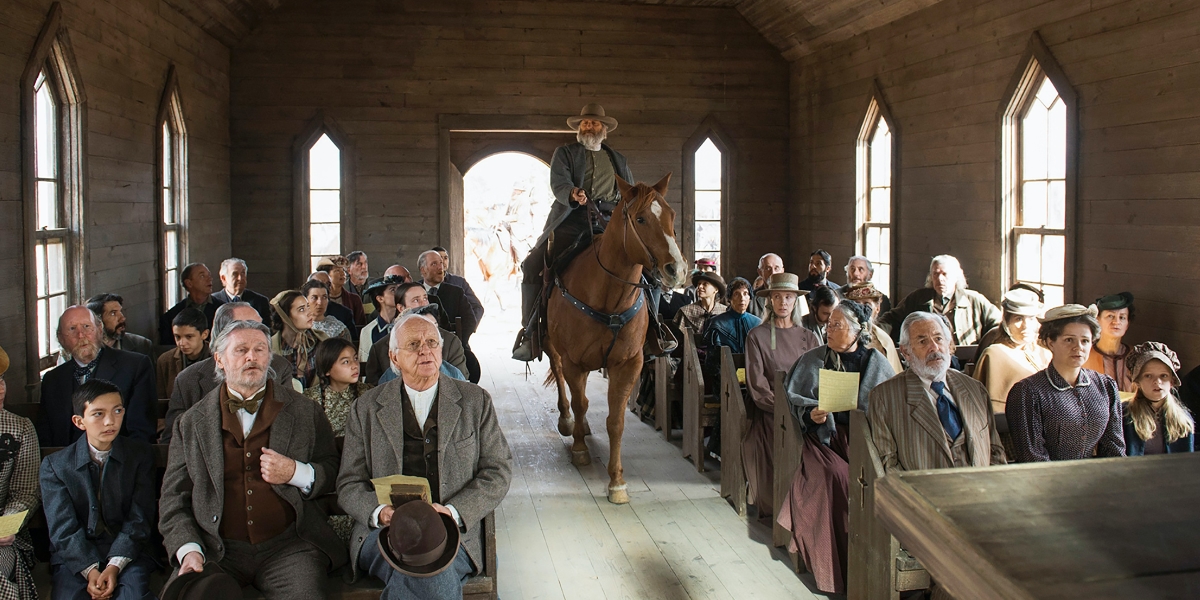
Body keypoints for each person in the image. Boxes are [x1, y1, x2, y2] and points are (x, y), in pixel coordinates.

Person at [159, 320, 345, 599]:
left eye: (260, 349)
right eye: (241, 350)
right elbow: (173, 499)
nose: (252, 357)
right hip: (216, 550)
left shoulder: (305, 412)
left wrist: (296, 472)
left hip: (290, 546)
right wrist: (189, 551)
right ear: (219, 360)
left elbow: (331, 470)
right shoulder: (191, 423)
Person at [337, 314, 512, 599]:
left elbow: (498, 471)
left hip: (454, 529)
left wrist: (453, 513)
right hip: (384, 531)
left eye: (432, 342)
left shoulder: (474, 402)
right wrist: (380, 513)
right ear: (394, 358)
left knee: (428, 570)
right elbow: (348, 484)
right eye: (414, 344)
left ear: (442, 350)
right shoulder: (366, 408)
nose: (425, 350)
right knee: (431, 572)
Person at [514, 104, 674, 359]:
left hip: (612, 222)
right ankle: (530, 332)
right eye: (585, 123)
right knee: (533, 264)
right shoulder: (565, 153)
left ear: (604, 129)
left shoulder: (618, 159)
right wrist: (572, 193)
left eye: (594, 123)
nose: (589, 126)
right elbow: (559, 182)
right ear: (579, 128)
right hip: (572, 218)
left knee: (649, 268)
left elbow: (631, 194)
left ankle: (653, 332)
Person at [779, 302, 894, 594]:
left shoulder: (876, 363)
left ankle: (876, 563)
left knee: (881, 481)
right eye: (828, 324)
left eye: (837, 325)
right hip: (824, 440)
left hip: (865, 440)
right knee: (838, 476)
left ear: (857, 331)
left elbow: (889, 406)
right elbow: (795, 400)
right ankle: (835, 567)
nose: (829, 330)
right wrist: (811, 414)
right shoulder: (813, 359)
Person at [41, 380, 156, 600]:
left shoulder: (139, 456)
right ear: (79, 421)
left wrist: (114, 565)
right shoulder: (56, 466)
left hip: (129, 551)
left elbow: (139, 517)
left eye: (117, 411)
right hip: (74, 556)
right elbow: (62, 528)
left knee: (134, 594)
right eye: (98, 414)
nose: (110, 421)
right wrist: (90, 569)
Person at [868, 311, 1006, 471]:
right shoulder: (884, 398)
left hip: (980, 491)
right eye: (922, 341)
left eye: (938, 339)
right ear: (906, 352)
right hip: (924, 493)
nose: (934, 347)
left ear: (948, 344)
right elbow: (888, 465)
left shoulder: (975, 389)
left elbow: (995, 450)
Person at [162, 302, 296, 443]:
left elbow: (291, 426)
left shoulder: (279, 367)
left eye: (260, 326)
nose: (256, 333)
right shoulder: (188, 380)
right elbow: (172, 440)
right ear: (222, 335)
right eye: (245, 326)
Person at [1006, 305, 1126, 462]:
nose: (1078, 348)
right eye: (1069, 340)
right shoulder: (1028, 392)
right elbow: (1032, 457)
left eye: (1085, 341)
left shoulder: (1105, 386)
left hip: (1095, 480)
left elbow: (1115, 450)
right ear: (1050, 343)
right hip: (1044, 481)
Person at [743, 273, 820, 518]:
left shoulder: (809, 337)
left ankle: (815, 509)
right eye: (777, 297)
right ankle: (785, 508)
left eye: (788, 297)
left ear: (795, 301)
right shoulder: (757, 336)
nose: (783, 302)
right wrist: (785, 412)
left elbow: (818, 380)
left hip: (807, 413)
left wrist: (808, 412)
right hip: (771, 413)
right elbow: (758, 385)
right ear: (770, 301)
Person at [38, 307, 157, 446]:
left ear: (100, 329)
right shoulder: (52, 379)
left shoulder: (135, 366)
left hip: (120, 461)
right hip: (65, 463)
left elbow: (142, 431)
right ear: (60, 338)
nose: (81, 335)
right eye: (72, 329)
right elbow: (46, 436)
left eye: (87, 327)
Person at [304, 337, 372, 544]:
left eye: (354, 359)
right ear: (326, 370)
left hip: (362, 473)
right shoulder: (310, 400)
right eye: (345, 362)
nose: (354, 366)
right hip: (327, 474)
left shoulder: (369, 394)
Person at [878, 255, 1001, 345]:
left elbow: (998, 324)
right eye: (935, 274)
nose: (940, 279)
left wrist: (984, 348)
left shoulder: (974, 300)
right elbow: (890, 319)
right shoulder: (918, 298)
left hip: (965, 360)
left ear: (956, 277)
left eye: (944, 274)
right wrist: (875, 334)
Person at [367, 284, 469, 384]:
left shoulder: (451, 342)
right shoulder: (379, 348)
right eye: (416, 300)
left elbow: (459, 385)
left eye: (425, 298)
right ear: (401, 308)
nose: (423, 304)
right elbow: (375, 391)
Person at [0, 344, 40, 600]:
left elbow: (25, 493)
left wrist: (6, 525)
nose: (0, 389)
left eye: (0, 379)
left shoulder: (20, 428)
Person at [972, 288, 1050, 414]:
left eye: (1031, 319)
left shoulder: (1045, 351)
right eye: (1018, 319)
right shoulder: (994, 354)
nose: (1026, 326)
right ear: (1006, 322)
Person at [417, 250, 480, 383]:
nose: (441, 267)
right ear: (423, 270)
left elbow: (470, 321)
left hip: (452, 348)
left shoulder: (455, 292)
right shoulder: (415, 291)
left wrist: (458, 343)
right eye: (434, 264)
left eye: (441, 263)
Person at [1122, 342, 1194, 455]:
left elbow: (1186, 464)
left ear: (1172, 381)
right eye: (1148, 376)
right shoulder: (1124, 414)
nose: (1157, 382)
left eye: (1163, 376)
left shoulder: (1182, 419)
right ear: (1137, 381)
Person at [270, 290, 328, 389]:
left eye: (308, 307)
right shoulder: (270, 347)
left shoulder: (322, 341)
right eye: (301, 309)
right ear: (284, 316)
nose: (310, 313)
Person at [841, 282, 902, 373]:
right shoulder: (838, 333)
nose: (862, 309)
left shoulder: (883, 340)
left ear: (877, 308)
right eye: (856, 304)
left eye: (867, 304)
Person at [159, 263, 225, 345]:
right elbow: (168, 347)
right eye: (202, 276)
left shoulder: (223, 309)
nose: (209, 279)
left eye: (209, 275)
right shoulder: (172, 315)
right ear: (189, 283)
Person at [1083, 292, 1135, 393]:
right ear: (1097, 320)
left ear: (1127, 324)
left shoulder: (1135, 355)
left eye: (1122, 317)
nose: (1116, 322)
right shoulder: (1085, 355)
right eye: (1110, 316)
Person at [703, 277, 762, 364]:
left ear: (750, 297)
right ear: (730, 298)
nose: (742, 298)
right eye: (736, 294)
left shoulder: (758, 323)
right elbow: (712, 360)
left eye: (745, 294)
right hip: (724, 371)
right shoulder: (716, 324)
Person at [157, 307, 212, 399]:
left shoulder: (218, 358)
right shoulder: (165, 361)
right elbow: (162, 401)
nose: (181, 343)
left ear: (204, 334)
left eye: (189, 337)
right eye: (177, 337)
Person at [85, 294, 153, 361]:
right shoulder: (82, 347)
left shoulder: (141, 345)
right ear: (97, 321)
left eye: (121, 311)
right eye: (113, 313)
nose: (122, 318)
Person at [358, 275, 407, 364]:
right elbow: (366, 364)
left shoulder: (406, 324)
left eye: (399, 289)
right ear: (380, 298)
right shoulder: (368, 331)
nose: (398, 293)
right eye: (393, 290)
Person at [432, 246, 484, 324]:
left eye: (445, 258)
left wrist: (468, 328)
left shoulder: (459, 282)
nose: (443, 261)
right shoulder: (421, 285)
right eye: (439, 258)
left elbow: (477, 307)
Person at [212, 257, 273, 322]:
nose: (240, 278)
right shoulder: (212, 301)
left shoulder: (260, 302)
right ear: (223, 278)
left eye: (243, 273)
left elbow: (267, 329)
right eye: (235, 274)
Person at [317, 256, 366, 328]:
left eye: (343, 270)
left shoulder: (354, 299)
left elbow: (360, 325)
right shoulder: (318, 300)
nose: (342, 273)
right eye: (337, 271)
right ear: (327, 275)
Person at [673, 271, 727, 337]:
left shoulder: (725, 311)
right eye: (699, 284)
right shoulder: (686, 311)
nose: (700, 286)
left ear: (715, 290)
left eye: (705, 284)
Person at [307, 271, 358, 338]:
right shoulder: (298, 318)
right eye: (317, 284)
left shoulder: (343, 313)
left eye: (328, 284)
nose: (319, 302)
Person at [748, 253, 784, 320]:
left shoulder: (796, 296)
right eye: (768, 268)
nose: (773, 273)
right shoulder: (750, 298)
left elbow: (803, 325)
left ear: (782, 271)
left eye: (776, 268)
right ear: (760, 272)